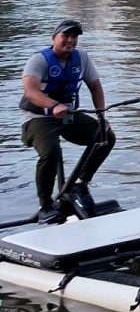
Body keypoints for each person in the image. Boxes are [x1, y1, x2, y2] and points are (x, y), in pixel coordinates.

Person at [20, 19, 117, 221]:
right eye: (66, 36)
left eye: (74, 37)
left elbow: (96, 87)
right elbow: (30, 92)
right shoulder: (39, 60)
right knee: (51, 152)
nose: (70, 40)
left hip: (67, 116)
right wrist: (53, 105)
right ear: (54, 38)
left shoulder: (81, 57)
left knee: (105, 135)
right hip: (38, 118)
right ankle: (46, 206)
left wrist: (101, 115)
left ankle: (79, 185)